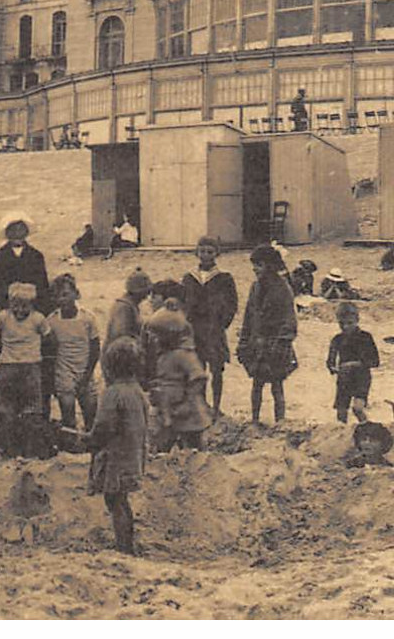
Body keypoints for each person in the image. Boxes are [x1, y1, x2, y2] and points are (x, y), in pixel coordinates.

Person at [85, 337, 150, 555]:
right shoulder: (137, 390)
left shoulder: (113, 393)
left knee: (114, 500)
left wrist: (91, 440)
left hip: (116, 455)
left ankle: (124, 546)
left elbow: (104, 426)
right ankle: (127, 543)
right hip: (134, 451)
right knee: (122, 499)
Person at [0, 282, 51, 457]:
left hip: (31, 368)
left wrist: (41, 360)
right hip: (9, 369)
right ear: (9, 304)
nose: (20, 310)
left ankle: (29, 452)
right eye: (16, 305)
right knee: (6, 412)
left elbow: (51, 342)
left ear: (32, 305)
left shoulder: (38, 319)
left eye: (25, 306)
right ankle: (10, 451)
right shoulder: (3, 317)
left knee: (32, 414)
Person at [237, 244, 298, 425]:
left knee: (277, 385)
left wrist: (283, 341)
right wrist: (244, 341)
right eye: (254, 265)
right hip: (257, 343)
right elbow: (248, 316)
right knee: (257, 384)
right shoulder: (255, 287)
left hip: (276, 344)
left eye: (259, 265)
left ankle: (280, 421)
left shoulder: (283, 289)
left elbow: (289, 318)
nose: (255, 269)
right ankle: (255, 419)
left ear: (270, 266)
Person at [180, 236, 238, 418]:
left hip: (214, 330)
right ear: (197, 252)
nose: (206, 256)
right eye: (202, 251)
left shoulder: (224, 278)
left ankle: (217, 405)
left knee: (217, 369)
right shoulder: (189, 278)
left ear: (217, 254)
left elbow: (232, 304)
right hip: (195, 330)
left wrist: (222, 323)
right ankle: (201, 403)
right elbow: (183, 301)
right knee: (199, 370)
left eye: (210, 252)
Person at [147, 308, 213, 451]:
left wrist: (187, 400)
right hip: (169, 408)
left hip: (187, 411)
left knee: (193, 445)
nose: (154, 339)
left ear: (169, 336)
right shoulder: (164, 355)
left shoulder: (184, 355)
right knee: (162, 442)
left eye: (157, 336)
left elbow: (199, 378)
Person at [47, 273, 101, 430]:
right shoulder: (52, 321)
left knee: (91, 412)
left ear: (76, 294)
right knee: (68, 412)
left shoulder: (88, 318)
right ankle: (72, 442)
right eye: (58, 296)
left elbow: (95, 348)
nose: (62, 300)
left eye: (65, 295)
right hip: (64, 373)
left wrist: (87, 374)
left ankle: (90, 443)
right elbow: (52, 350)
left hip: (86, 370)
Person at [0, 212, 50, 314]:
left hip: (32, 309)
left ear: (26, 232)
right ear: (7, 233)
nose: (17, 234)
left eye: (21, 230)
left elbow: (42, 285)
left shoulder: (36, 256)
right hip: (6, 309)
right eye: (13, 230)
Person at [327, 302, 380, 424]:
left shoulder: (365, 337)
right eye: (341, 324)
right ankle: (342, 436)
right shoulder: (337, 339)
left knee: (358, 409)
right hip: (344, 378)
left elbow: (375, 361)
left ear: (357, 320)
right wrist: (334, 368)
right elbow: (330, 361)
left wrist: (354, 364)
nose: (345, 327)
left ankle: (367, 429)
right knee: (341, 413)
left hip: (361, 378)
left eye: (349, 323)